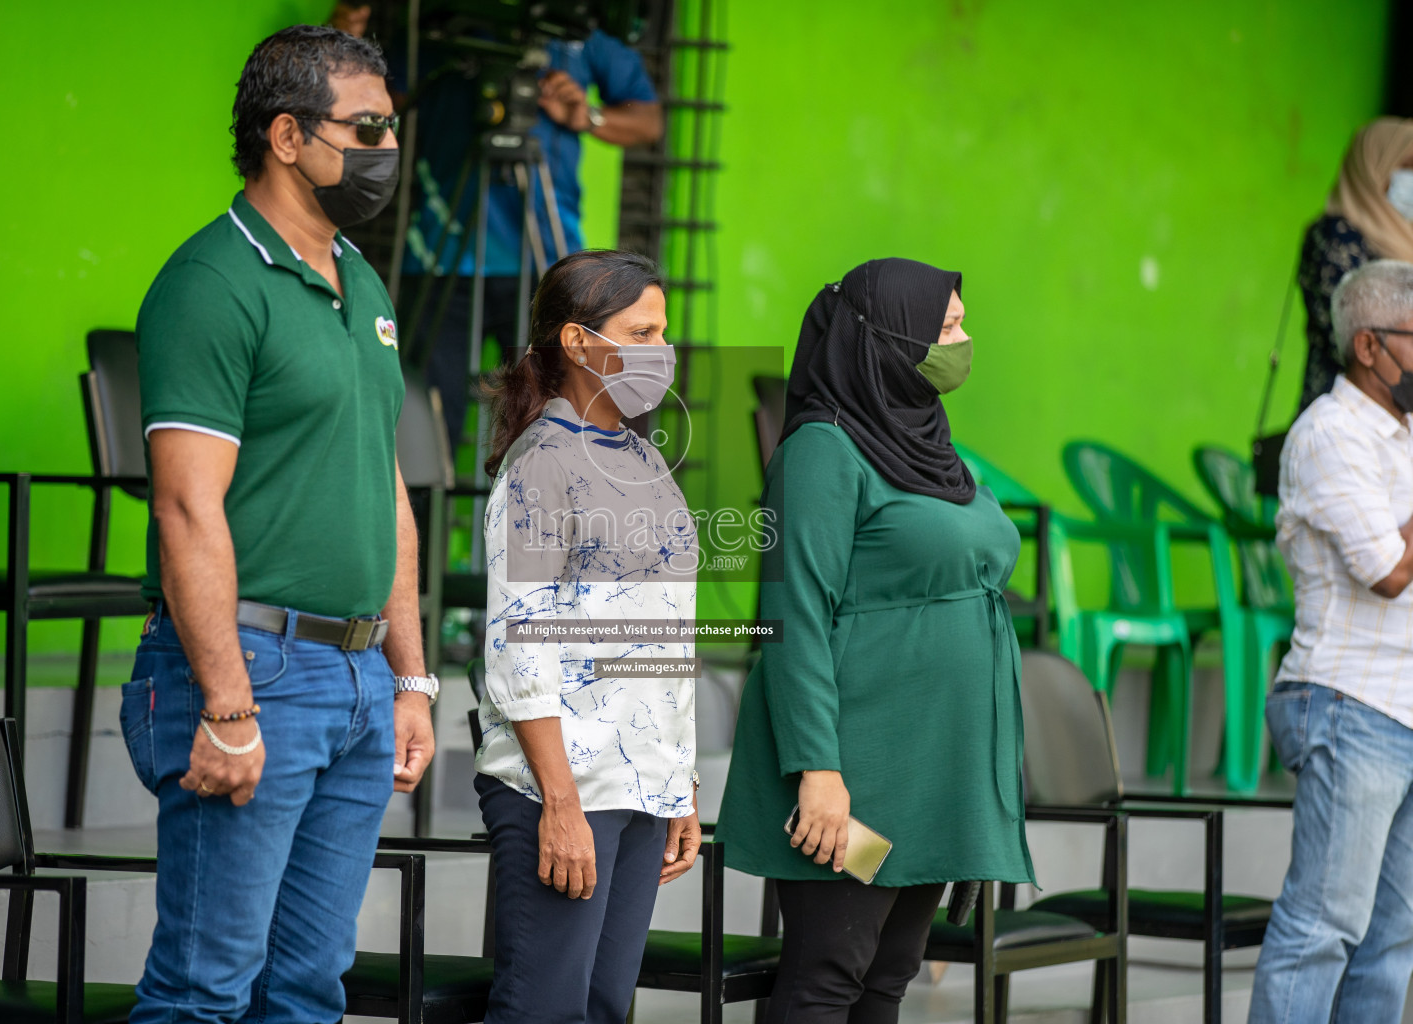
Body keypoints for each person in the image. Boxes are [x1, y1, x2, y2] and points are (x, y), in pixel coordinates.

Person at [124, 25, 437, 1023]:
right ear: (288, 136)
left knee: (307, 987)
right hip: (254, 670)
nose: (388, 150)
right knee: (203, 988)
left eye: (392, 128)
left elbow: (383, 492)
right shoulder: (212, 283)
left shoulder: (363, 281)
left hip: (353, 677)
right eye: (368, 128)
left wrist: (411, 677)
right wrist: (225, 703)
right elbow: (185, 505)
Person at [717, 258, 1035, 1024]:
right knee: (831, 972)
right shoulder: (824, 450)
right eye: (947, 327)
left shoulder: (927, 445)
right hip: (856, 775)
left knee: (889, 974)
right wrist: (818, 772)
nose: (962, 341)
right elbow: (793, 618)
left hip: (935, 777)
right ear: (887, 339)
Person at [474, 248, 702, 1023]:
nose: (660, 349)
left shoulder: (645, 459)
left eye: (663, 331)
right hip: (564, 783)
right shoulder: (542, 463)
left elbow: (668, 633)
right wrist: (559, 803)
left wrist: (680, 785)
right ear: (577, 341)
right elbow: (520, 643)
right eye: (641, 331)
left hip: (640, 781)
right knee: (543, 1008)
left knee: (605, 1005)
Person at [361, 3, 664, 449]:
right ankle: (420, 517)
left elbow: (649, 120)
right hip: (440, 258)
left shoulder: (575, 31)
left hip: (548, 267)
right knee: (420, 431)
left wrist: (588, 116)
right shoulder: (447, 27)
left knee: (563, 421)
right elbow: (376, 101)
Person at [1249, 259, 1413, 1024]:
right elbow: (1387, 570)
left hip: (1403, 709)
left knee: (1390, 942)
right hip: (1352, 704)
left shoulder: (1403, 437)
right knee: (1323, 930)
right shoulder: (1329, 434)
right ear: (1370, 346)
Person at [1296, 118, 1413, 413]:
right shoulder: (1335, 238)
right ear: (1376, 164)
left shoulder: (1406, 244)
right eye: (1408, 166)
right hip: (1346, 424)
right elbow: (1359, 339)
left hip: (1397, 433)